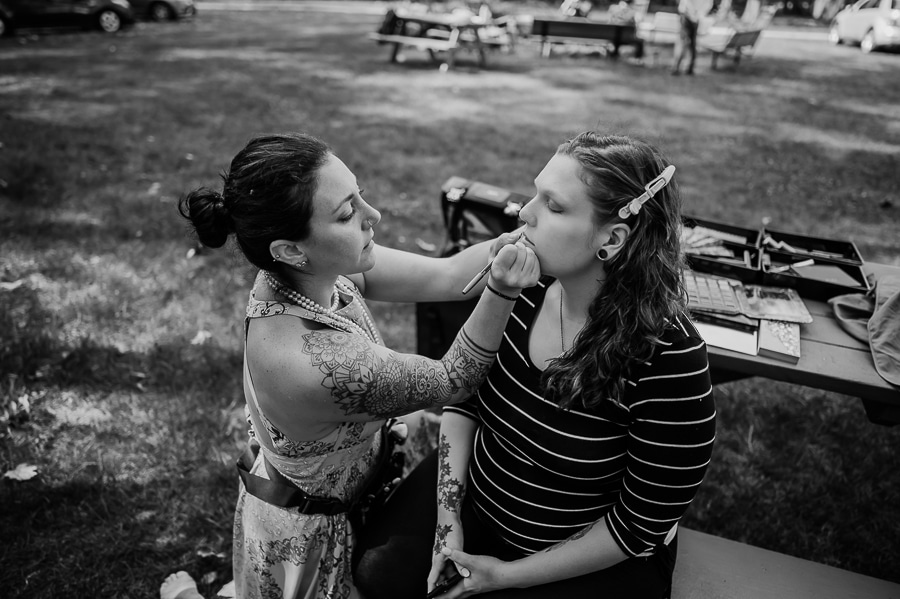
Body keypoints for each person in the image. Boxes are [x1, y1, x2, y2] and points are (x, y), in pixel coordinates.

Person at [353, 131, 716, 599]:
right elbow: (465, 402)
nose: (524, 213)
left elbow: (638, 524)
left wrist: (502, 578)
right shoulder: (524, 288)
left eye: (554, 205)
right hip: (476, 501)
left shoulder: (671, 358)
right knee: (379, 575)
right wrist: (448, 520)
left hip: (582, 554)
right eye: (534, 194)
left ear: (613, 238)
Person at [177, 132, 540, 599]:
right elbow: (454, 379)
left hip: (357, 491)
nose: (374, 217)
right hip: (313, 539)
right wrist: (505, 290)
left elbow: (447, 275)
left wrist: (510, 245)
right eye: (347, 214)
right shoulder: (312, 361)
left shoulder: (313, 271)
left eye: (359, 196)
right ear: (289, 249)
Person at [672, 0, 713, 75]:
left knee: (684, 42)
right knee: (690, 43)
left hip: (689, 16)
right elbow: (708, 4)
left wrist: (695, 15)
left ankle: (679, 68)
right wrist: (697, 15)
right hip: (693, 17)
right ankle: (687, 68)